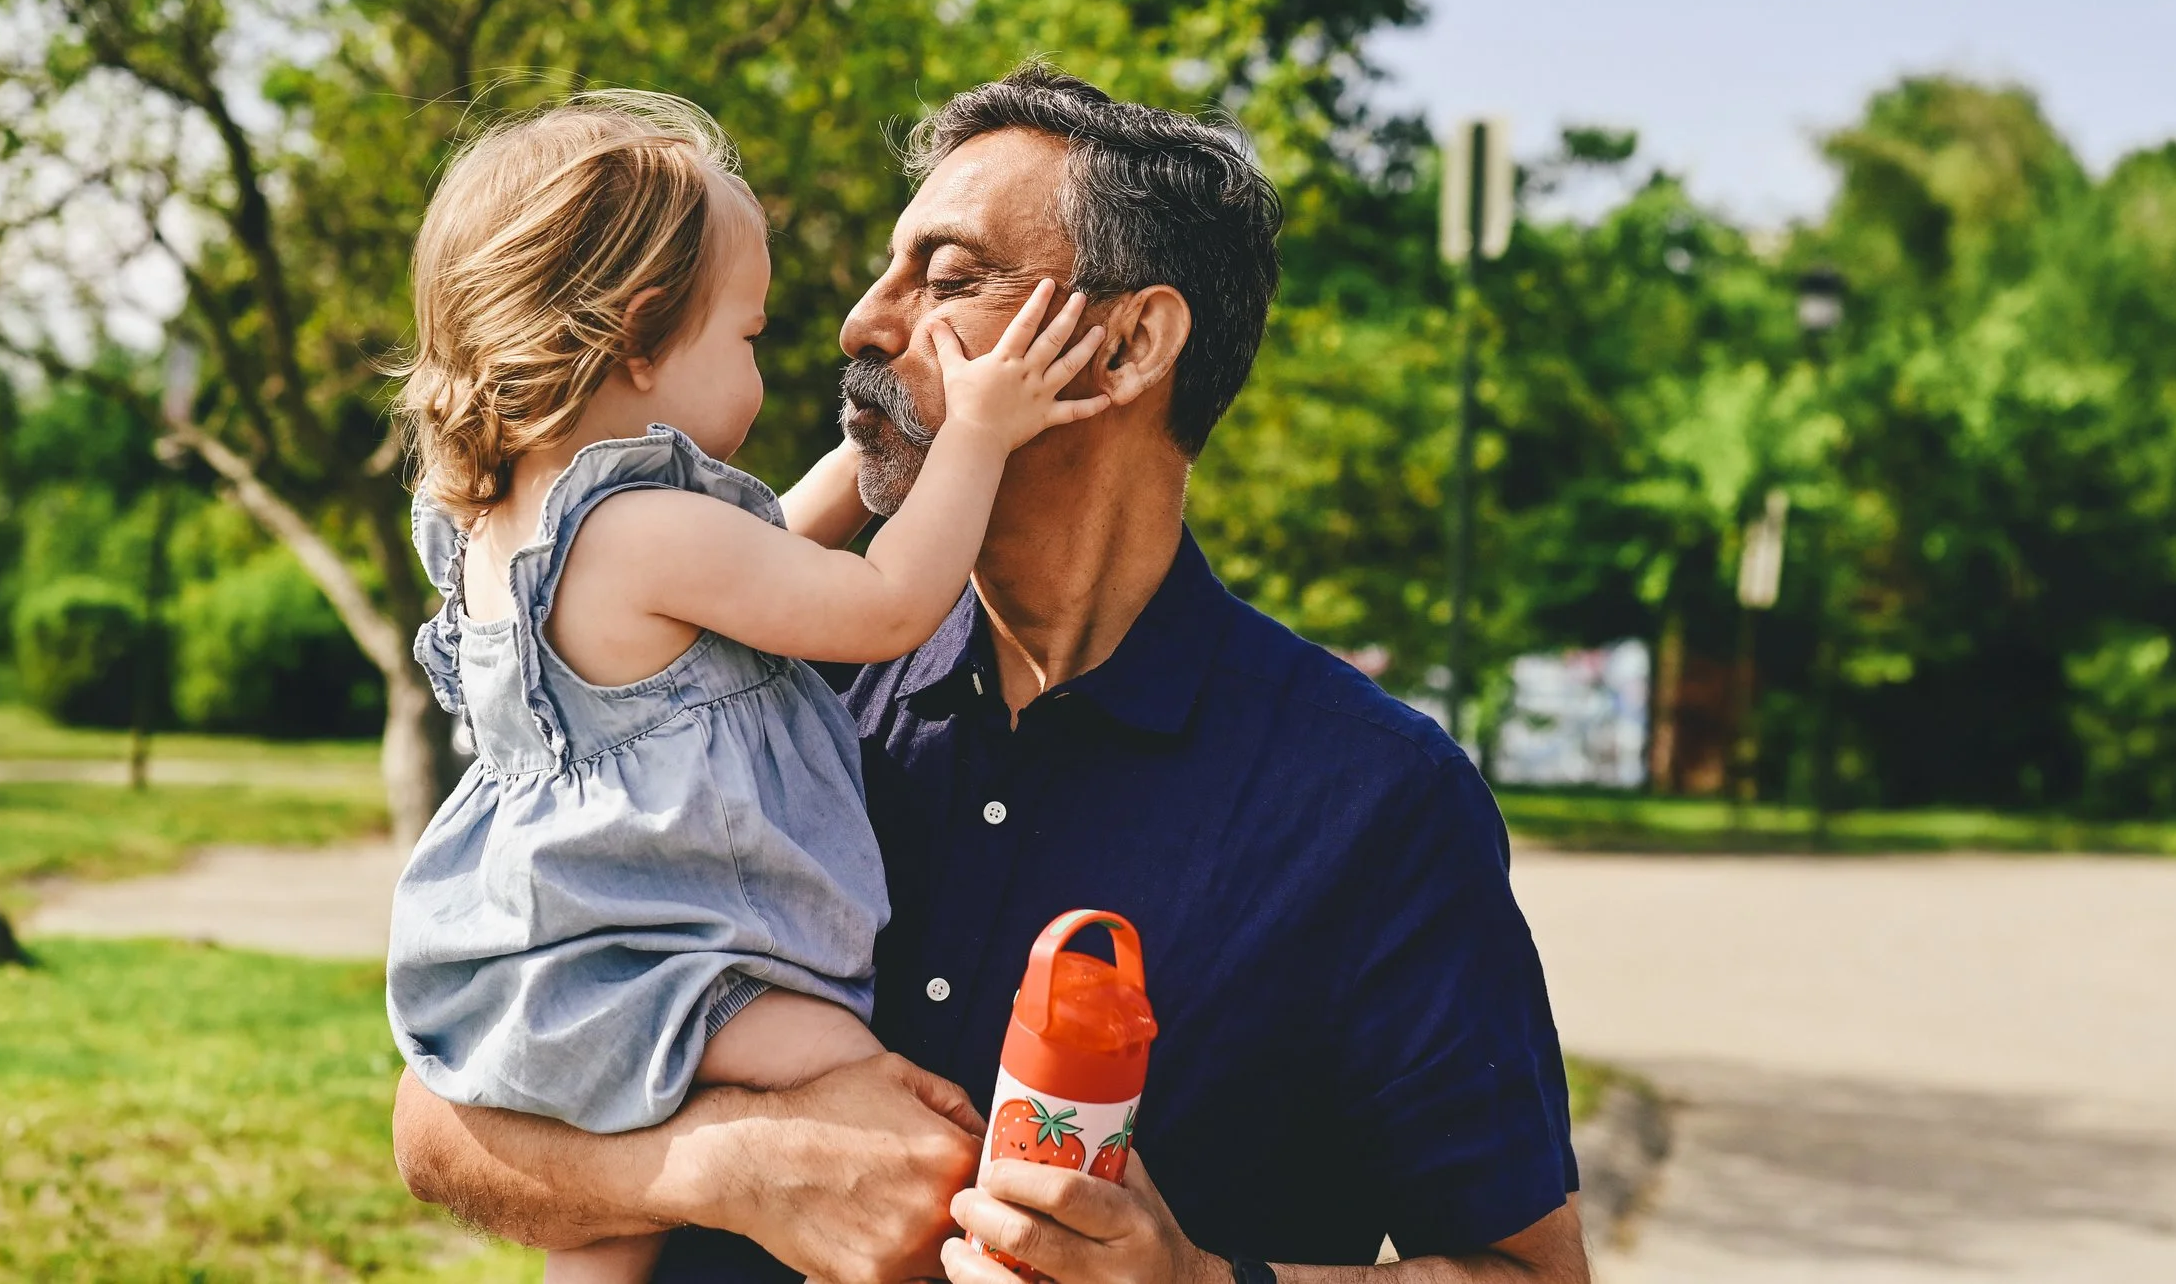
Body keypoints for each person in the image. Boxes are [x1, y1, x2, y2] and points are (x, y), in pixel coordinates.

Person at [395, 66, 1591, 1284]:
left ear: (1126, 345)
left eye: (951, 276)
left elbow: (1533, 1274)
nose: (861, 319)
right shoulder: (748, 687)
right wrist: (721, 1167)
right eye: (886, 269)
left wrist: (1196, 1282)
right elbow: (440, 1120)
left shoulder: (1373, 802)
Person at [385, 92, 1112, 1284]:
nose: (770, 365)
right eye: (748, 335)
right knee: (870, 1107)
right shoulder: (646, 528)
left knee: (603, 1229)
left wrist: (875, 445)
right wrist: (974, 432)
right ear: (635, 338)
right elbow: (882, 604)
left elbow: (769, 537)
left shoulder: (512, 524)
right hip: (682, 963)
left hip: (561, 959)